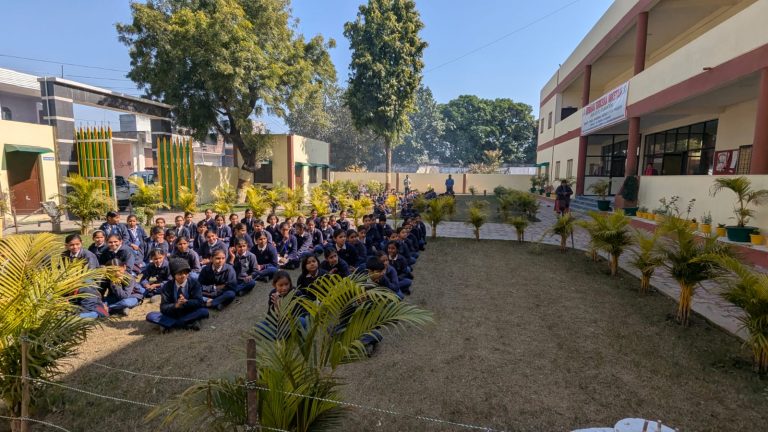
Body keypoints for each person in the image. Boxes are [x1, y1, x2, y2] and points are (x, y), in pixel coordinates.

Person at [146, 258, 210, 331]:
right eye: (180, 273)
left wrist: (187, 302)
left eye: (186, 273)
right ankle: (187, 324)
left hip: (190, 311)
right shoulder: (167, 286)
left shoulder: (194, 283)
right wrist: (176, 305)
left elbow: (199, 302)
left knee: (203, 311)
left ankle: (171, 324)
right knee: (150, 316)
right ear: (174, 275)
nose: (183, 276)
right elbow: (163, 307)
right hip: (173, 314)